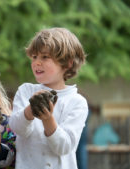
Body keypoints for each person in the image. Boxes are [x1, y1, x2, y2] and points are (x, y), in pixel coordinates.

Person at [9, 27, 88, 169]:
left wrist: (48, 119)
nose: (37, 62)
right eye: (34, 57)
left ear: (67, 63)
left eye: (45, 57)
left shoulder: (77, 102)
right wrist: (30, 110)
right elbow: (17, 128)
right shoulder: (26, 91)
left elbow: (64, 147)